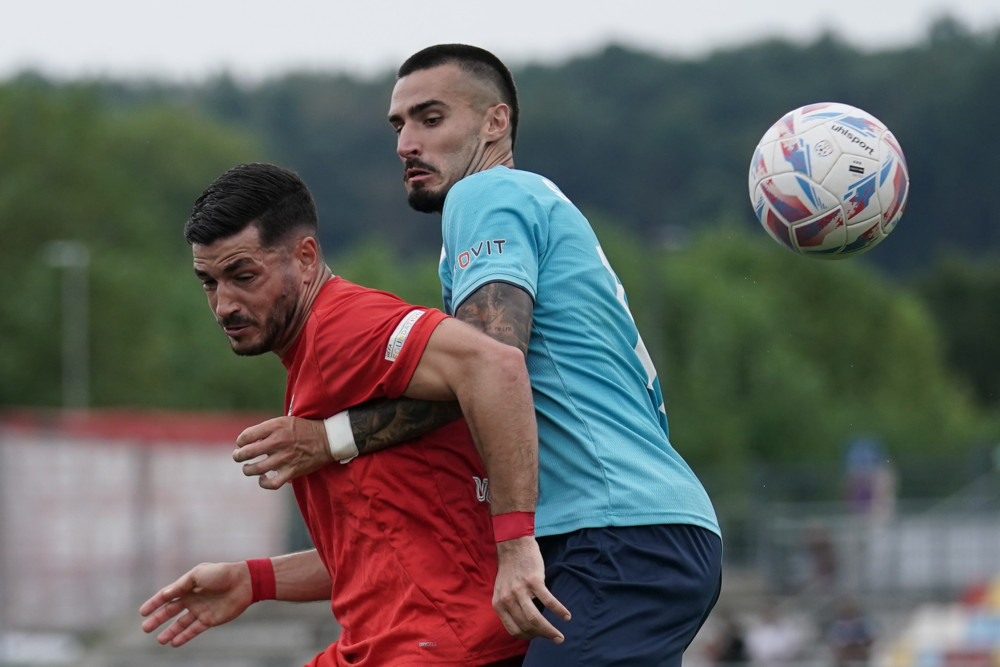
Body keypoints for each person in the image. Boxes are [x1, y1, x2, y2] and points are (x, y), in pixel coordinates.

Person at [234, 44, 723, 665]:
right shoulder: (534, 204)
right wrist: (257, 578)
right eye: (399, 126)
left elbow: (490, 362)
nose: (406, 143)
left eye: (431, 118)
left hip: (614, 533)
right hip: (638, 529)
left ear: (496, 122)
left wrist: (330, 438)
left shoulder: (487, 195)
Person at [139, 162, 568, 666]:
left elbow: (496, 363)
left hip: (439, 650)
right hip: (400, 644)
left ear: (305, 258)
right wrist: (253, 580)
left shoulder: (342, 326)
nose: (223, 305)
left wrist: (517, 546)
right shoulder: (312, 353)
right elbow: (380, 552)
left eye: (243, 276)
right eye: (209, 282)